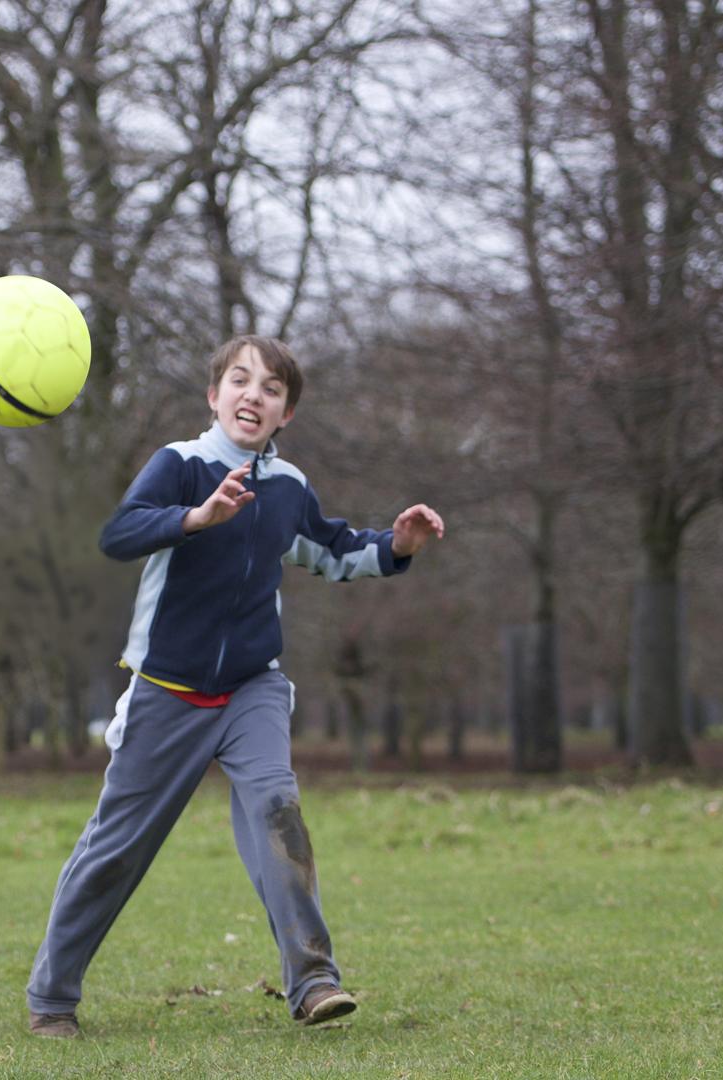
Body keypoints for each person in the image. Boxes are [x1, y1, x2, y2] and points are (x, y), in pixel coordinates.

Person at [24, 334, 445, 1035]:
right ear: (214, 396)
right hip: (167, 689)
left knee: (277, 808)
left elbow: (334, 551)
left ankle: (313, 982)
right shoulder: (180, 465)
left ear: (286, 416)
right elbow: (119, 534)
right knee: (117, 847)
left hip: (254, 687)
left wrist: (397, 546)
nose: (255, 394)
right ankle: (53, 996)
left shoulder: (289, 487)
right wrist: (196, 518)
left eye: (272, 388)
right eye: (241, 380)